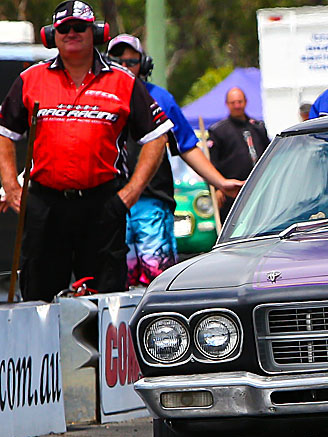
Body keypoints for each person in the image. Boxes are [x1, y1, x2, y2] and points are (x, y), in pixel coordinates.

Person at [0, 1, 171, 302]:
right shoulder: (30, 79)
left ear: (96, 32)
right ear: (51, 35)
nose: (72, 33)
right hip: (45, 206)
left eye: (80, 27)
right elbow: (5, 132)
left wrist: (130, 194)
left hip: (103, 205)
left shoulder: (123, 80)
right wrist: (11, 187)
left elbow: (157, 137)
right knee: (38, 296)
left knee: (104, 299)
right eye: (64, 28)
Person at [106, 34, 243, 285]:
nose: (124, 67)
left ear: (143, 64)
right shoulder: (98, 99)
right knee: (115, 279)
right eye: (117, 62)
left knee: (155, 278)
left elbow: (187, 146)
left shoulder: (160, 98)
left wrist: (221, 183)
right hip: (109, 202)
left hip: (152, 202)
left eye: (131, 61)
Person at [207, 87, 269, 221]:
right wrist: (217, 188)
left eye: (240, 102)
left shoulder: (257, 127)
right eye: (233, 103)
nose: (237, 106)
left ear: (245, 102)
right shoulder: (219, 131)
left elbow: (268, 156)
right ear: (227, 104)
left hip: (259, 189)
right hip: (232, 193)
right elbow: (211, 164)